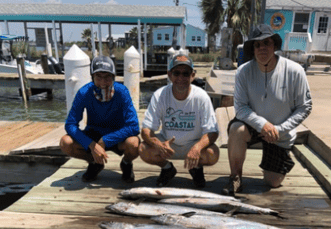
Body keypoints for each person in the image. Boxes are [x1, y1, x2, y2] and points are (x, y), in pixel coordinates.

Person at [223, 24, 312, 196]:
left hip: (281, 132)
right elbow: (240, 108)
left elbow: (305, 106)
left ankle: (282, 158)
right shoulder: (243, 72)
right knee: (236, 129)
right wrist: (262, 124)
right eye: (257, 45)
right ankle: (235, 177)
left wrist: (279, 129)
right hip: (253, 126)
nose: (262, 48)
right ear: (253, 49)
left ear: (274, 46)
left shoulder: (295, 71)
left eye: (267, 43)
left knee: (273, 182)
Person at [139, 53, 219, 188]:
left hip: (193, 144)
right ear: (169, 75)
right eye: (176, 73)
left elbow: (212, 132)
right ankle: (167, 169)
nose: (181, 78)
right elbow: (146, 130)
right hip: (168, 145)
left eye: (186, 74)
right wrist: (159, 145)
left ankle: (196, 168)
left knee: (213, 154)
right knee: (143, 149)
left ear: (192, 75)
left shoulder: (202, 97)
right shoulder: (160, 95)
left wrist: (197, 147)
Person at [60, 55, 140, 182]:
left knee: (134, 143)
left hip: (117, 135)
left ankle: (126, 163)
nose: (103, 82)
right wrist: (91, 144)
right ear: (92, 77)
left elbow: (134, 126)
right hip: (93, 133)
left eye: (107, 77)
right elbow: (70, 124)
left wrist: (105, 141)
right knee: (65, 142)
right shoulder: (84, 93)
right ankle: (94, 162)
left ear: (114, 77)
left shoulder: (122, 91)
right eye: (98, 77)